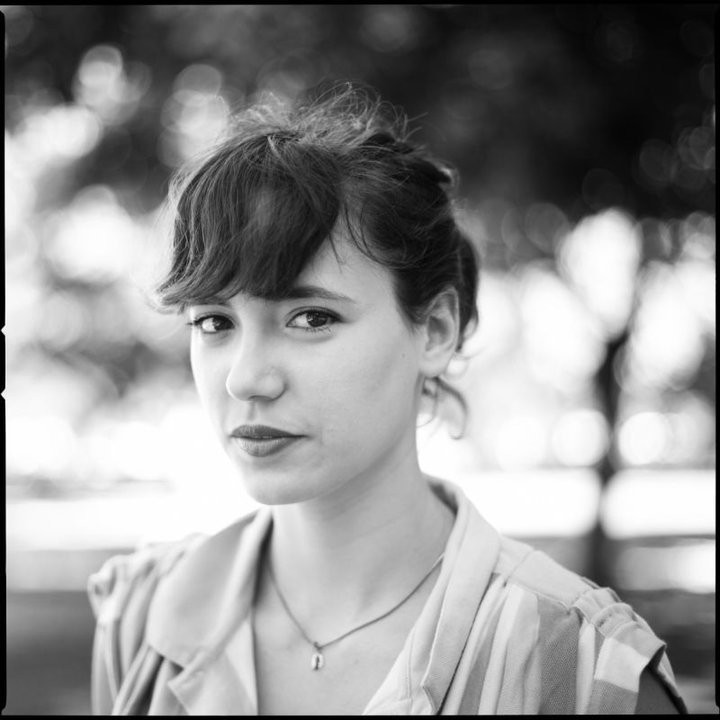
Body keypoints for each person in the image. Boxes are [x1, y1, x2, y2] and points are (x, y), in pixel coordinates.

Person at [87, 85, 687, 715]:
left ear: (435, 330)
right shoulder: (139, 617)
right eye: (214, 322)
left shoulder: (586, 669)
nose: (245, 379)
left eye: (311, 318)